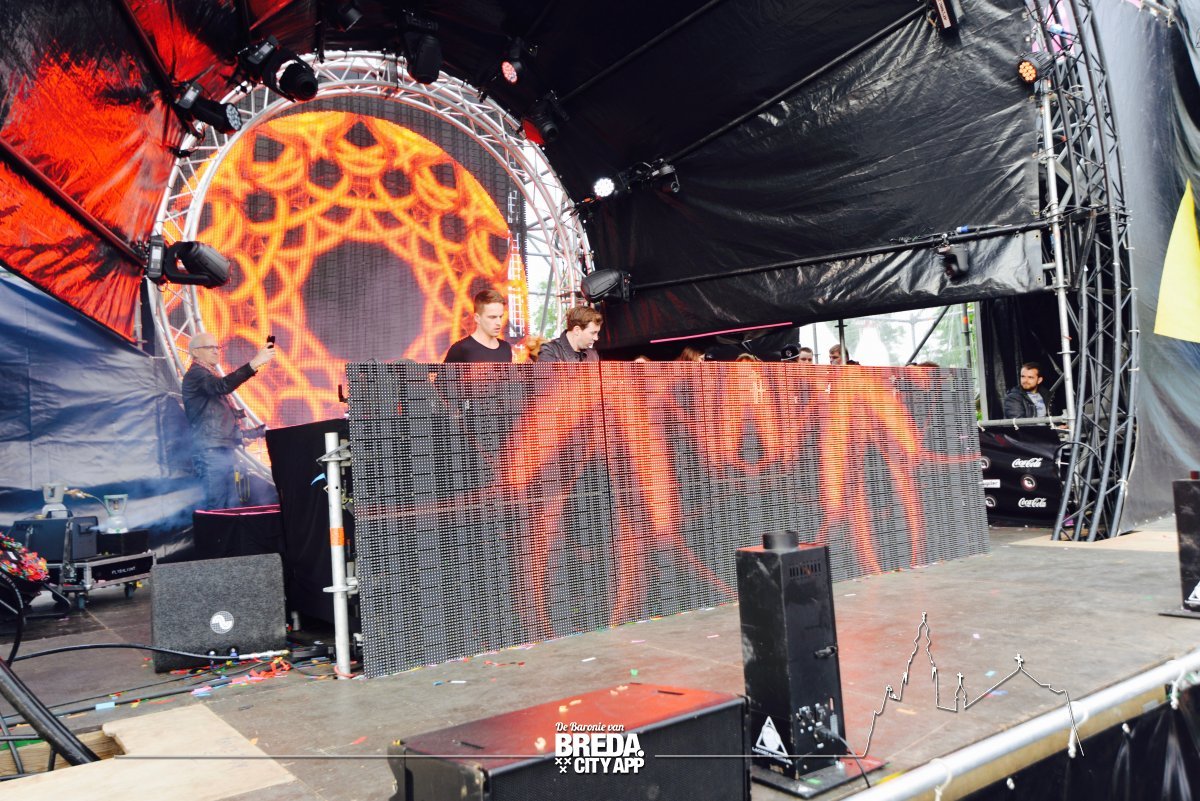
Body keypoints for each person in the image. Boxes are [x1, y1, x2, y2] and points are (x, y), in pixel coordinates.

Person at [183, 332, 276, 510]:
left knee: (227, 507)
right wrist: (255, 363)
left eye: (217, 347)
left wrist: (242, 436)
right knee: (216, 507)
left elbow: (219, 420)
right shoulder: (196, 374)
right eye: (209, 347)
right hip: (210, 453)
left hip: (222, 451)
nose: (215, 351)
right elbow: (223, 386)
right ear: (195, 352)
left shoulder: (208, 376)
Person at [444, 289, 513, 363]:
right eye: (492, 317)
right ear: (477, 318)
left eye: (501, 317)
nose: (499, 322)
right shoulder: (460, 349)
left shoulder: (506, 348)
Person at [538, 306, 603, 363]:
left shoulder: (593, 355)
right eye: (593, 333)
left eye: (597, 333)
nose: (596, 338)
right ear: (577, 330)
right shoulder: (549, 351)